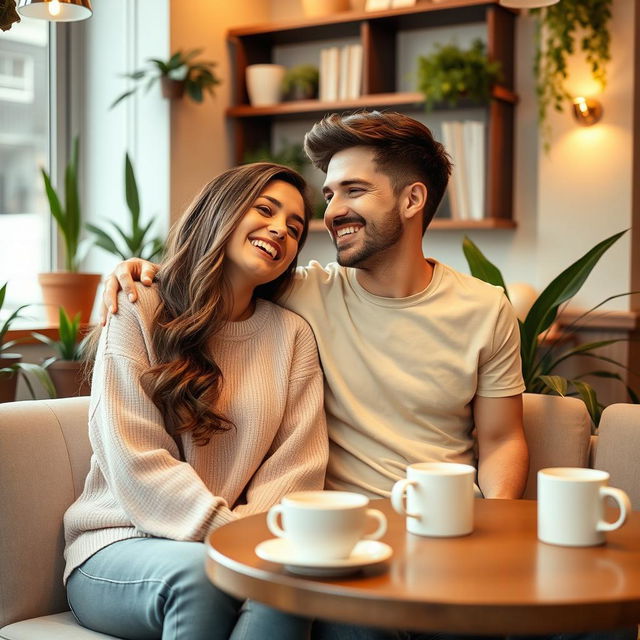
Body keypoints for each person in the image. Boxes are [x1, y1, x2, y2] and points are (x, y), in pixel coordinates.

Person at [101, 112, 636, 640]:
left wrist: (489, 532)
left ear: (411, 200)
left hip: (445, 532)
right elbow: (216, 276)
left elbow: (500, 439)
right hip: (353, 540)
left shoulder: (485, 308)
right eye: (329, 195)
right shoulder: (302, 294)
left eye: (352, 191)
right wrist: (139, 270)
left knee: (594, 614)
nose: (330, 212)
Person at [64, 162, 328, 640]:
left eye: (294, 229)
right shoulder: (139, 306)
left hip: (239, 545)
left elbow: (295, 471)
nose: (280, 232)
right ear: (221, 211)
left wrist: (242, 544)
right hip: (119, 544)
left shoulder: (292, 337)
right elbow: (134, 459)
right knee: (201, 576)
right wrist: (228, 538)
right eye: (265, 209)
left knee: (289, 585)